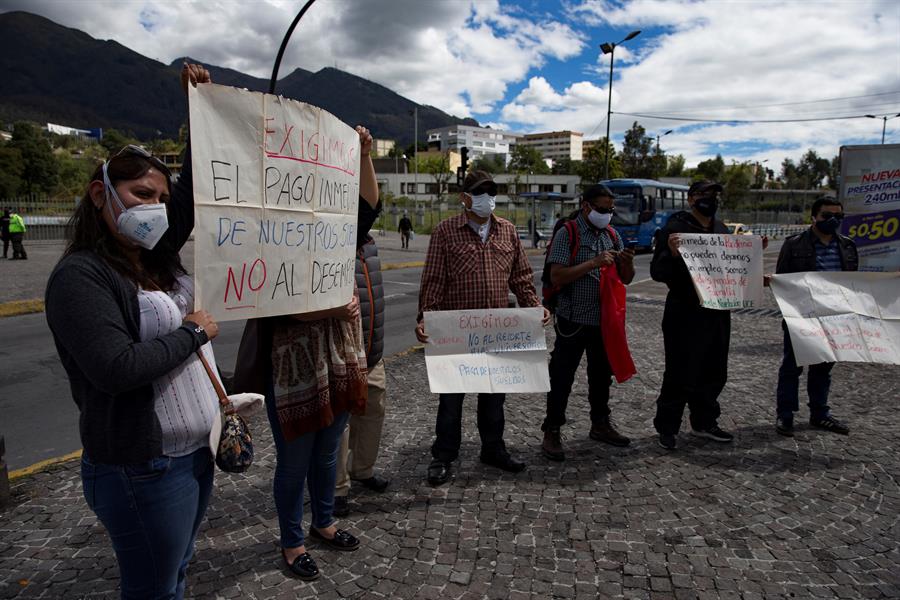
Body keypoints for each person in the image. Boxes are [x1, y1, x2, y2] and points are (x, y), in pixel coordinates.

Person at [45, 64, 218, 599]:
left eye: (161, 198)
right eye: (143, 194)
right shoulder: (81, 276)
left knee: (176, 572)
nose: (157, 208)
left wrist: (199, 110)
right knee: (153, 588)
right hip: (144, 469)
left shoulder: (156, 256)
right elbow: (115, 368)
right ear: (101, 195)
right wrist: (192, 334)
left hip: (195, 456)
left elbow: (191, 193)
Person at [261, 126, 379, 581]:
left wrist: (364, 156)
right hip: (294, 365)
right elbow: (273, 304)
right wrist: (328, 309)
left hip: (339, 358)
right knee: (294, 462)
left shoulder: (340, 230)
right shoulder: (273, 237)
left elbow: (369, 205)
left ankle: (324, 521)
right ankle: (292, 541)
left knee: (328, 454)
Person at [415, 170, 550, 486]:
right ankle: (443, 455)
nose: (486, 198)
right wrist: (425, 317)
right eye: (479, 193)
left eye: (491, 192)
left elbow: (521, 277)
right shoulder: (445, 232)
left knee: (494, 398)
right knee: (451, 401)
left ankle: (493, 448)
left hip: (496, 332)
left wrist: (534, 307)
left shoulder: (508, 231)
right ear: (464, 198)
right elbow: (433, 281)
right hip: (456, 333)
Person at [540, 184, 635, 461]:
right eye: (602, 209)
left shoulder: (612, 235)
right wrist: (593, 263)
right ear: (586, 206)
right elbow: (557, 276)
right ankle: (552, 429)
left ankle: (600, 423)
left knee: (601, 376)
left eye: (611, 209)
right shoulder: (568, 233)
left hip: (603, 320)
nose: (607, 214)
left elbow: (626, 279)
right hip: (572, 319)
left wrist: (627, 262)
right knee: (562, 376)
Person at [650, 180, 734, 451]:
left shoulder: (722, 229)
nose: (711, 199)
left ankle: (704, 421)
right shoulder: (675, 229)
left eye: (715, 194)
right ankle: (667, 427)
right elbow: (657, 272)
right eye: (704, 194)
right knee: (679, 371)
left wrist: (752, 260)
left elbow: (732, 267)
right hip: (684, 311)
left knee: (715, 369)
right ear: (691, 199)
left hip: (717, 310)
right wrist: (673, 255)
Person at [774, 196, 857, 436]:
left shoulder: (848, 246)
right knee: (792, 367)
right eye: (827, 216)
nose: (833, 220)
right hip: (801, 316)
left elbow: (853, 282)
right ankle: (785, 414)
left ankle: (820, 414)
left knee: (823, 369)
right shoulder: (794, 244)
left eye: (838, 216)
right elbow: (783, 280)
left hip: (834, 318)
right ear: (814, 217)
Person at [333, 208, 390, 518]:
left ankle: (363, 470)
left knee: (374, 411)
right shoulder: (332, 242)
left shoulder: (369, 244)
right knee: (340, 424)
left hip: (373, 352)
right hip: (343, 354)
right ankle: (337, 488)